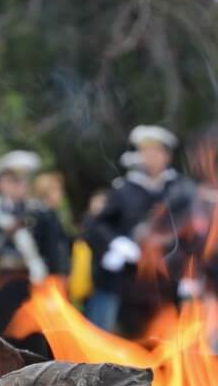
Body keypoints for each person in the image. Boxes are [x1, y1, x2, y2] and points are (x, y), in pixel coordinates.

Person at [83, 125, 195, 336]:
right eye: (145, 151)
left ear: (167, 156)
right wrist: (114, 243)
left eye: (155, 151)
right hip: (131, 281)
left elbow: (196, 235)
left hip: (170, 279)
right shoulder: (124, 190)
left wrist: (191, 273)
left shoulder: (182, 191)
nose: (149, 157)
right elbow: (96, 226)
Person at [0, 150, 70, 355]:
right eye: (12, 181)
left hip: (29, 287)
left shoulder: (41, 213)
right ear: (1, 183)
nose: (19, 186)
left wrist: (57, 283)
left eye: (22, 181)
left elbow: (55, 252)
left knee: (32, 342)